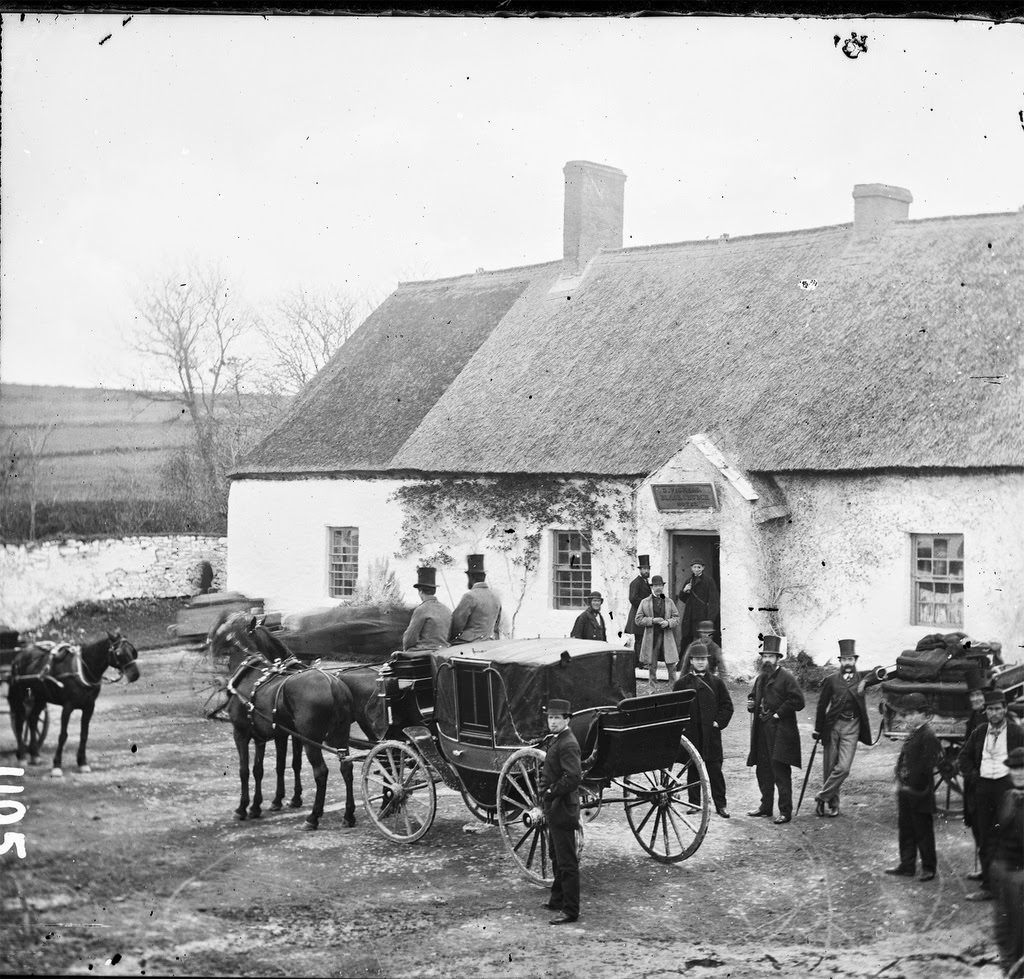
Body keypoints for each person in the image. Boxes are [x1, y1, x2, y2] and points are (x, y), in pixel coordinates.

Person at [957, 689, 1024, 901]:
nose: (993, 713)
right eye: (989, 709)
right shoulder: (979, 731)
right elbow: (963, 757)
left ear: (1005, 709)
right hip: (983, 788)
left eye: (997, 709)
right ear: (985, 711)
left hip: (1006, 788)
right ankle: (988, 885)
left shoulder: (1016, 732)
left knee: (1010, 833)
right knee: (985, 835)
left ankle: (1012, 883)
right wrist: (974, 776)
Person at [812, 638, 883, 817]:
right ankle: (833, 804)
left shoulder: (861, 676)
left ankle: (821, 797)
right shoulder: (831, 680)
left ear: (855, 661)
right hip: (833, 726)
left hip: (852, 727)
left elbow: (880, 671)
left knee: (843, 768)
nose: (847, 663)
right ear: (840, 662)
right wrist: (818, 729)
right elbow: (821, 706)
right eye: (844, 660)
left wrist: (865, 681)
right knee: (829, 768)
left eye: (850, 659)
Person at [884, 692, 944, 882]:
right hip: (906, 791)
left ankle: (928, 867)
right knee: (906, 828)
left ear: (923, 714)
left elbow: (927, 766)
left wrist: (912, 785)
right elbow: (904, 759)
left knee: (923, 831)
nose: (908, 718)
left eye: (912, 714)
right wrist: (899, 779)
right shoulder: (915, 733)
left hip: (920, 792)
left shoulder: (928, 735)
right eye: (907, 714)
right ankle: (907, 864)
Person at [746, 634, 804, 824]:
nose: (767, 660)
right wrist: (752, 703)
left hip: (780, 731)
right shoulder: (761, 678)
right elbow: (754, 696)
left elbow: (798, 701)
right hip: (762, 730)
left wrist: (779, 713)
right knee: (763, 770)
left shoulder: (787, 677)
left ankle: (785, 811)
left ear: (778, 658)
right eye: (765, 656)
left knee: (780, 771)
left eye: (771, 656)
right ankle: (765, 807)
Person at [674, 641, 734, 817]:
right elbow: (675, 708)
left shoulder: (716, 683)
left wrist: (718, 723)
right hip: (692, 734)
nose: (700, 662)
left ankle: (721, 805)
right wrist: (682, 727)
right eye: (697, 659)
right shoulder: (682, 684)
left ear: (707, 661)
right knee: (693, 769)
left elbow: (727, 706)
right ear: (691, 661)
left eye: (703, 659)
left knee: (715, 771)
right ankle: (694, 804)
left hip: (711, 735)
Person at [535, 698, 581, 925]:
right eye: (550, 717)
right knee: (555, 855)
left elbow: (573, 777)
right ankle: (557, 899)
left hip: (563, 808)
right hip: (555, 808)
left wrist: (551, 791)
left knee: (567, 861)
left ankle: (571, 910)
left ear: (567, 719)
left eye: (557, 718)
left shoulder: (568, 743)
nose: (552, 722)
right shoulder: (558, 739)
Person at [990, 746, 1024, 975]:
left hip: (1021, 875)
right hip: (1004, 870)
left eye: (1022, 769)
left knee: (1018, 935)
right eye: (1014, 770)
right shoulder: (1008, 796)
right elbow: (998, 830)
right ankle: (1008, 970)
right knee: (1003, 930)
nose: (1018, 774)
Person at [634, 575, 680, 690]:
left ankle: (673, 687)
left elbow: (677, 618)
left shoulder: (669, 602)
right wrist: (652, 620)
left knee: (671, 664)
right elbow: (638, 620)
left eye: (660, 585)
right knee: (652, 665)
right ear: (652, 587)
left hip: (666, 637)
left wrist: (668, 623)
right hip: (652, 637)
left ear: (663, 587)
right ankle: (652, 688)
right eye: (656, 585)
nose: (658, 588)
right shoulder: (645, 602)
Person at [449, 554, 502, 644]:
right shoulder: (496, 597)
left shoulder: (470, 596)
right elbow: (496, 627)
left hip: (469, 643)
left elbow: (456, 625)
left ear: (471, 577)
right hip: (489, 642)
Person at [402, 567, 452, 652]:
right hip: (444, 651)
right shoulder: (447, 609)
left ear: (420, 591)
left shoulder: (421, 609)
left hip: (425, 653)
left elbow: (409, 639)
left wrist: (406, 649)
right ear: (434, 590)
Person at [677, 560, 720, 650]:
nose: (697, 569)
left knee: (702, 641)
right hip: (689, 616)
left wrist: (710, 619)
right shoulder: (689, 581)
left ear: (703, 568)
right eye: (695, 567)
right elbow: (683, 599)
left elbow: (714, 601)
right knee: (687, 640)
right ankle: (684, 663)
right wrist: (684, 591)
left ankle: (703, 663)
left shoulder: (709, 581)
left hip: (702, 616)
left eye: (699, 567)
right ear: (691, 568)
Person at [623, 556, 652, 651]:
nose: (646, 571)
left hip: (644, 614)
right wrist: (646, 605)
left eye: (648, 569)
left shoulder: (645, 582)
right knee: (639, 639)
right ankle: (638, 662)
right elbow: (633, 599)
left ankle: (641, 661)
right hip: (638, 614)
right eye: (644, 569)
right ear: (640, 570)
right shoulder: (636, 582)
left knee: (643, 639)